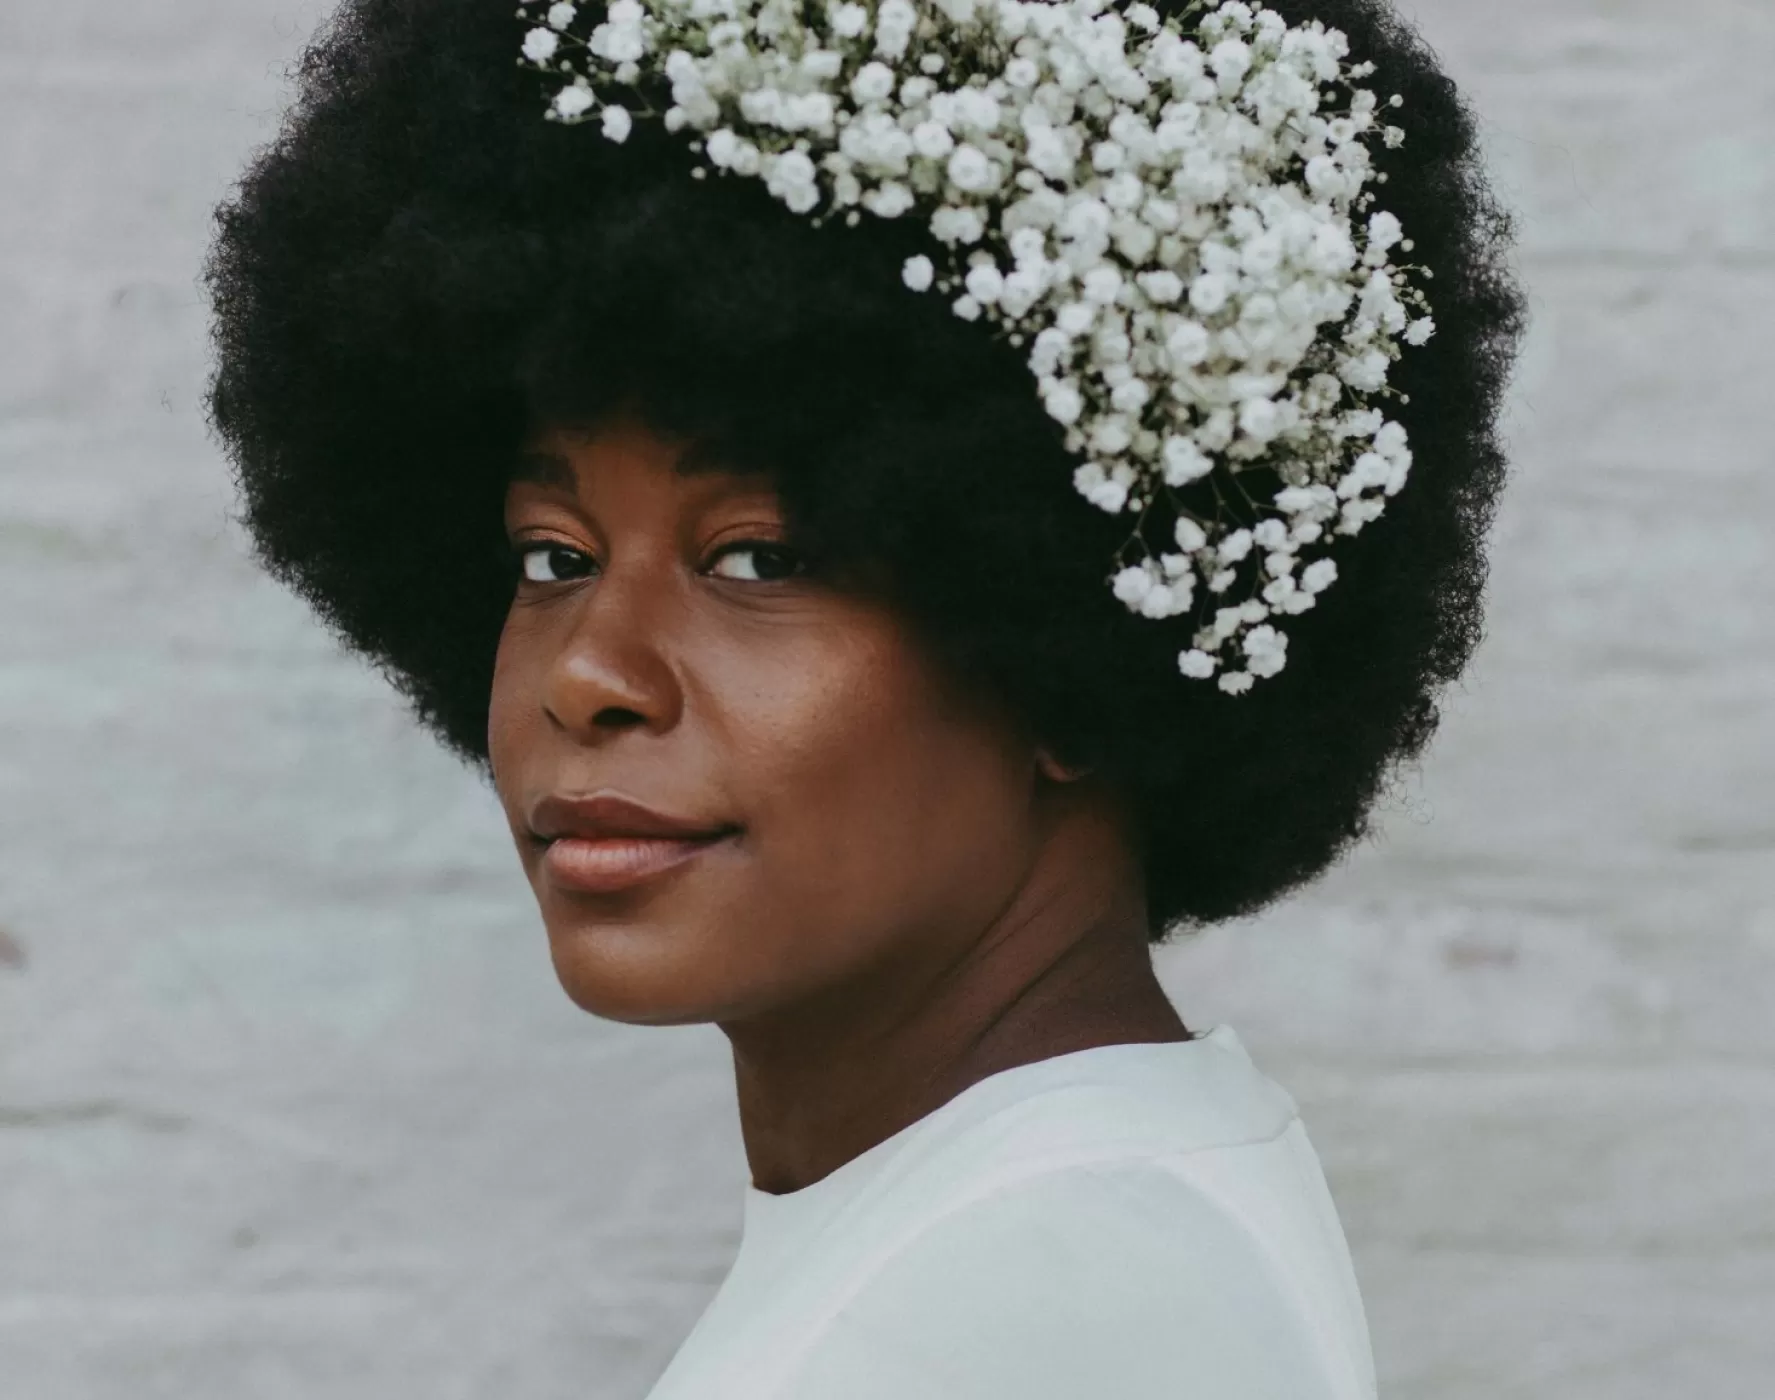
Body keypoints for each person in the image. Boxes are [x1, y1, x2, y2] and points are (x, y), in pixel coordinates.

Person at [204, 0, 1523, 1394]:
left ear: (1080, 642)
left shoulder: (1037, 1300)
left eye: (758, 557)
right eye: (552, 557)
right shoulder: (1043, 1209)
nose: (588, 674)